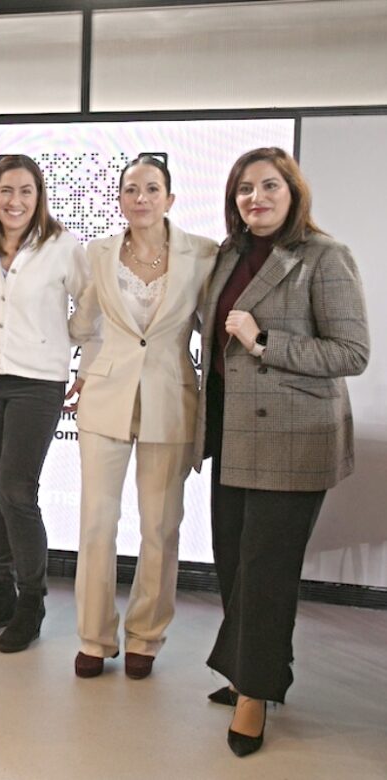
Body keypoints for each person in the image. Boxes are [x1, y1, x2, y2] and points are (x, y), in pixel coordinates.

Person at [193, 147, 369, 757]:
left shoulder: (324, 257)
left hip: (294, 438)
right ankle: (264, 672)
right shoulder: (228, 254)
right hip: (230, 433)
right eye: (244, 188)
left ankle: (253, 694)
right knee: (235, 565)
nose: (255, 198)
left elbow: (352, 352)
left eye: (269, 186)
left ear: (293, 192)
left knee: (265, 573)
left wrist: (265, 340)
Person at [66, 154, 218, 679]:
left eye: (152, 189)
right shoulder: (98, 253)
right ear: (121, 199)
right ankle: (94, 635)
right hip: (105, 398)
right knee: (96, 523)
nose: (141, 198)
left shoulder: (203, 254)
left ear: (170, 198)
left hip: (171, 398)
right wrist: (87, 368)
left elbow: (211, 328)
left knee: (160, 526)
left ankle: (145, 638)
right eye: (132, 189)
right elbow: (84, 323)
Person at [0, 154, 90, 653]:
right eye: (6, 191)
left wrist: (67, 341)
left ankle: (31, 600)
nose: (15, 201)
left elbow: (91, 303)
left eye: (26, 192)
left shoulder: (63, 246)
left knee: (17, 490)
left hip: (37, 382)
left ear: (39, 198)